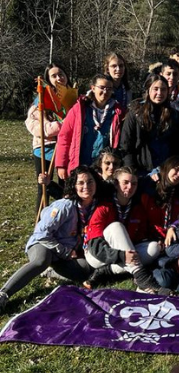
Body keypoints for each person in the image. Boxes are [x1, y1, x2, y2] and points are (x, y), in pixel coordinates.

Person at [0, 167, 99, 312]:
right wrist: (65, 251)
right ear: (74, 186)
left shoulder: (93, 206)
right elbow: (42, 234)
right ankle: (4, 293)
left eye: (90, 181)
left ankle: (50, 271)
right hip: (44, 243)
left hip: (64, 253)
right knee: (41, 260)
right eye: (81, 183)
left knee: (87, 270)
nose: (86, 187)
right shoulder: (65, 206)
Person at [84, 167, 166, 293]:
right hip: (97, 255)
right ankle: (142, 278)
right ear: (116, 184)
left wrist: (158, 241)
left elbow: (141, 236)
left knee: (154, 248)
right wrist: (121, 255)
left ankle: (106, 272)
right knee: (116, 226)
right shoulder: (104, 207)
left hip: (124, 254)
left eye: (134, 183)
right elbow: (94, 245)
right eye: (125, 183)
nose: (130, 187)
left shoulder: (137, 208)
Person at [55, 74, 124, 180]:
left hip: (103, 168)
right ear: (93, 88)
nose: (105, 92)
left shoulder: (118, 112)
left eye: (109, 89)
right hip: (80, 163)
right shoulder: (79, 109)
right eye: (101, 88)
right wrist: (61, 165)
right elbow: (65, 137)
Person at [25, 63, 71, 212]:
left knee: (66, 187)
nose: (59, 78)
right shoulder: (42, 99)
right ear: (48, 79)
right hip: (44, 149)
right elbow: (37, 126)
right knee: (44, 186)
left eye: (61, 74)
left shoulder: (72, 96)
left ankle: (64, 218)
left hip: (65, 148)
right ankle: (40, 225)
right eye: (54, 75)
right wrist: (61, 125)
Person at [119, 74, 179, 175]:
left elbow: (177, 146)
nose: (159, 93)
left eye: (163, 89)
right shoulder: (135, 113)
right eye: (156, 89)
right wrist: (131, 172)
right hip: (140, 170)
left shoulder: (174, 115)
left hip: (165, 172)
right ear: (148, 90)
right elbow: (126, 145)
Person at [140, 156, 179, 241]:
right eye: (177, 169)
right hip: (147, 238)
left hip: (170, 238)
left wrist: (173, 226)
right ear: (168, 167)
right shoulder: (149, 186)